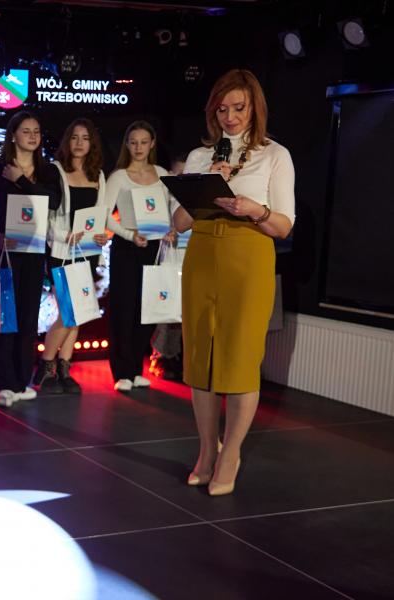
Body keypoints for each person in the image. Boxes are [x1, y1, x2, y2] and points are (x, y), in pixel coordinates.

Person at [173, 69, 294, 496]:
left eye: (238, 108)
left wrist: (254, 210)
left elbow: (283, 226)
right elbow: (179, 222)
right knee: (200, 359)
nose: (230, 117)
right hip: (203, 256)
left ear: (254, 108)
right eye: (222, 109)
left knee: (240, 359)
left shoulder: (274, 155)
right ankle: (208, 450)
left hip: (249, 256)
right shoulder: (200, 156)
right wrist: (209, 182)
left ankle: (231, 453)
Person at [0, 111, 61, 407]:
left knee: (27, 319)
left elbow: (53, 202)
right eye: (26, 131)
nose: (33, 136)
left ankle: (20, 380)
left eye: (36, 131)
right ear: (13, 135)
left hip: (33, 254)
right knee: (3, 319)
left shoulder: (48, 172)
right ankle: (3, 383)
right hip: (4, 254)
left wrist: (22, 180)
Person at [33, 118, 109, 394]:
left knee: (79, 314)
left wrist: (101, 235)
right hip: (62, 252)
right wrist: (64, 235)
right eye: (75, 137)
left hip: (87, 252)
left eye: (85, 138)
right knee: (69, 311)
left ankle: (64, 369)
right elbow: (45, 214)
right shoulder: (55, 171)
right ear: (67, 141)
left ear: (92, 143)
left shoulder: (98, 174)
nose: (79, 143)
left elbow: (100, 213)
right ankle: (45, 367)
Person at [102, 121, 176, 392]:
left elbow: (171, 208)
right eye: (133, 142)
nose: (138, 147)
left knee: (148, 310)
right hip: (126, 247)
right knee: (124, 309)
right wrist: (128, 234)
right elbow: (104, 215)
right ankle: (122, 371)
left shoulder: (162, 174)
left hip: (154, 249)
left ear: (152, 143)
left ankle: (135, 369)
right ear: (127, 144)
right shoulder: (118, 177)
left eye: (144, 142)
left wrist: (171, 229)